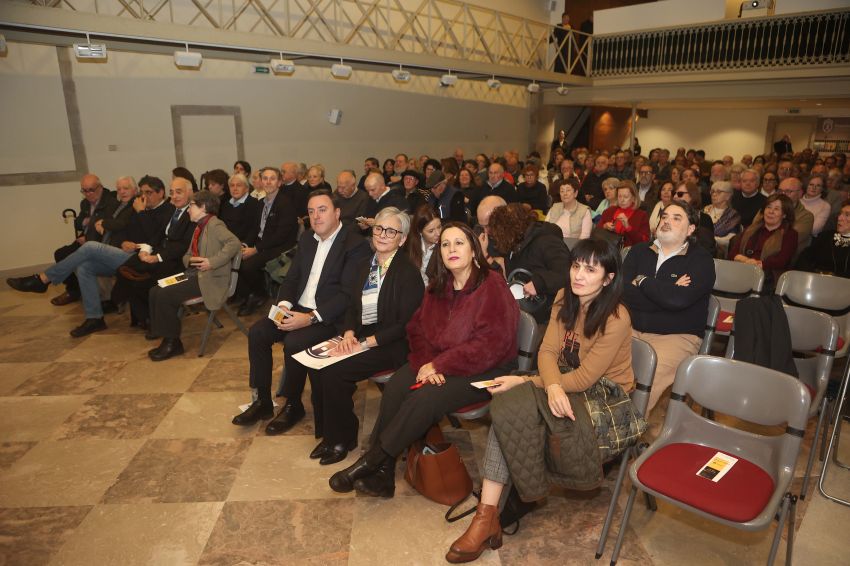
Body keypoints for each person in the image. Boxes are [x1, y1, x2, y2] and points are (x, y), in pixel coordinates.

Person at [446, 238, 634, 563]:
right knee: (508, 408)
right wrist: (547, 385)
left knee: (513, 406)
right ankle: (488, 514)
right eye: (576, 266)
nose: (578, 275)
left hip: (605, 398)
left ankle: (490, 514)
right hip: (562, 379)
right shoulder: (564, 298)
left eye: (590, 270)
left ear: (608, 278)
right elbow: (547, 352)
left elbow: (587, 379)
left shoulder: (616, 318)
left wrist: (533, 382)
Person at [329, 222, 519, 498]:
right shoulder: (438, 287)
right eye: (445, 244)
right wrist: (429, 364)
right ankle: (383, 477)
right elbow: (417, 330)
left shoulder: (492, 285)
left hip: (487, 369)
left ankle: (372, 461)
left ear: (474, 250)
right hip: (441, 363)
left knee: (426, 398)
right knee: (396, 386)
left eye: (459, 243)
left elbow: (491, 345)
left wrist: (440, 366)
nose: (451, 249)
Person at [232, 190, 371, 433]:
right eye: (311, 211)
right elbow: (291, 279)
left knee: (295, 342)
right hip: (298, 309)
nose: (316, 216)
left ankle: (293, 405)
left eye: (322, 210)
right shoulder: (307, 239)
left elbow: (348, 295)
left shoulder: (355, 244)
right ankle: (263, 402)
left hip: (330, 317)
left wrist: (309, 318)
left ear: (337, 213)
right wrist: (284, 307)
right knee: (258, 333)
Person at [308, 208, 425, 465]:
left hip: (393, 343)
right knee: (319, 367)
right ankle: (331, 435)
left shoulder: (408, 273)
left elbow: (406, 325)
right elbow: (352, 306)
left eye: (391, 231)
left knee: (335, 371)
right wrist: (349, 333)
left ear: (402, 239)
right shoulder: (365, 265)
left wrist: (366, 343)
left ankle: (342, 439)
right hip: (363, 335)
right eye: (379, 229)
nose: (383, 235)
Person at [7, 176, 139, 336]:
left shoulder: (136, 205)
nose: (122, 192)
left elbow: (121, 224)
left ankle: (42, 279)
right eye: (119, 189)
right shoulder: (119, 206)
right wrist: (99, 224)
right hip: (113, 252)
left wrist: (104, 223)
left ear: (135, 189)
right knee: (84, 267)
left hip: (131, 256)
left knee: (89, 247)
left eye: (126, 188)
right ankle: (95, 319)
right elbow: (96, 223)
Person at [622, 200, 714, 412]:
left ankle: (624, 434)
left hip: (676, 336)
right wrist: (669, 289)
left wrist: (643, 281)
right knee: (603, 363)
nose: (666, 221)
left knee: (649, 375)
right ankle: (591, 422)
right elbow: (623, 293)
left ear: (690, 229)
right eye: (664, 216)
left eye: (676, 218)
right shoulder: (638, 252)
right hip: (631, 327)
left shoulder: (701, 260)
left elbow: (679, 301)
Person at [147, 190, 241, 361]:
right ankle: (166, 336)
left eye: (191, 206)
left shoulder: (215, 225)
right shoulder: (199, 226)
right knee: (156, 289)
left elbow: (234, 243)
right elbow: (187, 255)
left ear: (203, 207)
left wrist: (211, 262)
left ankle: (172, 343)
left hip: (209, 279)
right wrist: (191, 260)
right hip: (194, 274)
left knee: (165, 294)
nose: (188, 209)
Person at [112, 176, 196, 331]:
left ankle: (153, 322)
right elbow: (157, 236)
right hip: (163, 257)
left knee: (148, 284)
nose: (174, 196)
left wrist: (156, 257)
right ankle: (146, 318)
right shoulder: (173, 211)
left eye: (179, 192)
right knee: (128, 273)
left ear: (189, 193)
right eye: (172, 192)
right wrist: (146, 250)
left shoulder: (193, 213)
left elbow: (183, 246)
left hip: (179, 265)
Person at [487, 204, 571, 323]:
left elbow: (568, 273)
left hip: (549, 313)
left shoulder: (547, 241)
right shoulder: (515, 246)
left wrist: (538, 283)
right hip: (525, 308)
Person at [236, 167, 299, 316]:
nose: (268, 182)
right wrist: (245, 244)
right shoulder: (261, 203)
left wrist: (256, 249)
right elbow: (255, 229)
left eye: (272, 178)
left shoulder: (285, 203)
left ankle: (259, 294)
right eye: (265, 178)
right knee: (236, 258)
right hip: (264, 244)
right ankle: (250, 294)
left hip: (281, 246)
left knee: (247, 265)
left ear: (279, 182)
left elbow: (280, 236)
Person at [49, 174, 118, 306]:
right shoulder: (85, 203)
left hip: (98, 242)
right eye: (84, 190)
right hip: (85, 239)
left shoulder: (110, 202)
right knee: (61, 253)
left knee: (80, 259)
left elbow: (107, 227)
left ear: (100, 188)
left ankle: (46, 279)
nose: (87, 194)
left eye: (91, 190)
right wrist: (84, 221)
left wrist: (89, 234)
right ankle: (73, 290)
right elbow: (78, 222)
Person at [729, 194, 798, 288]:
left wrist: (757, 264)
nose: (771, 211)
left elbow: (781, 261)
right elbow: (733, 253)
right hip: (742, 270)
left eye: (776, 209)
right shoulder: (751, 229)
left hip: (768, 278)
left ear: (784, 214)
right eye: (768, 207)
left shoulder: (790, 234)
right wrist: (747, 261)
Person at [796, 199, 850, 278]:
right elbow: (804, 258)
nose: (840, 218)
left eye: (847, 215)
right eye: (840, 213)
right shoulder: (825, 236)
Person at [597, 181, 650, 248]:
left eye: (626, 197)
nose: (622, 200)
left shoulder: (641, 215)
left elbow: (644, 241)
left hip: (629, 253)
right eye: (619, 196)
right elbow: (597, 230)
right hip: (607, 250)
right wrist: (604, 226)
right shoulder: (609, 211)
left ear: (633, 198)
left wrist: (628, 227)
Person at [673, 181, 716, 255]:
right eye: (674, 193)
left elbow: (707, 249)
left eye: (680, 194)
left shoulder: (705, 219)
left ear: (692, 195)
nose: (675, 197)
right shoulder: (671, 216)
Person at [219, 173, 262, 245]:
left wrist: (245, 244)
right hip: (226, 244)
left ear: (246, 188)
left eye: (238, 185)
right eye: (232, 185)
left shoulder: (254, 204)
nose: (235, 188)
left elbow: (255, 229)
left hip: (244, 245)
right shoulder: (226, 204)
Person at [405, 205, 441, 284]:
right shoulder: (408, 244)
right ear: (420, 232)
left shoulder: (445, 246)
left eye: (439, 227)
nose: (438, 233)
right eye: (431, 231)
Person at [704, 181, 741, 254]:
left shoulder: (733, 215)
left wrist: (709, 239)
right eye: (712, 191)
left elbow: (730, 240)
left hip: (720, 253)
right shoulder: (705, 210)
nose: (714, 194)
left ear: (728, 196)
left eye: (718, 192)